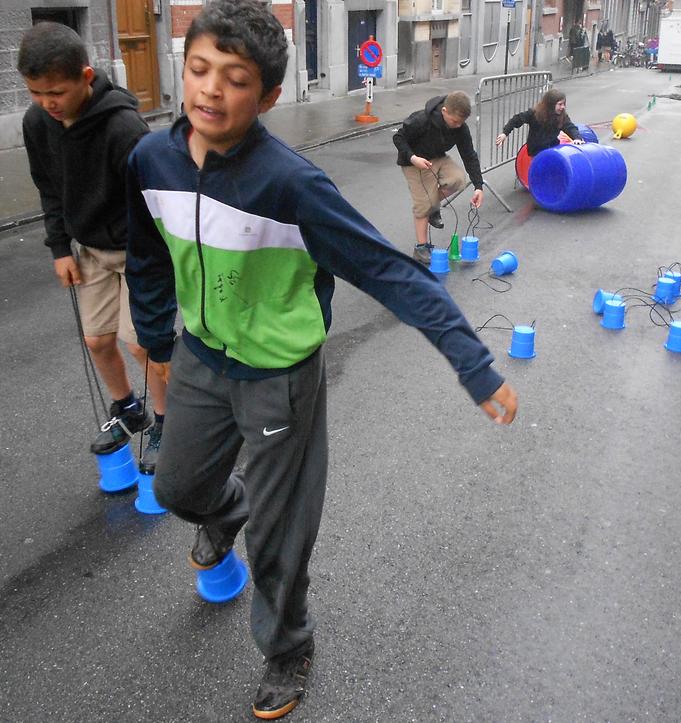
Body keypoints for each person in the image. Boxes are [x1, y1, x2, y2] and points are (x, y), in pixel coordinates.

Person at [124, 1, 518, 719]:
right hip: (202, 358)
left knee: (282, 534)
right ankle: (227, 506)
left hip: (279, 374)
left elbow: (389, 271)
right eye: (201, 68)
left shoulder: (290, 184)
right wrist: (156, 336)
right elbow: (146, 254)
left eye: (234, 78)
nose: (210, 89)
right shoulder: (151, 160)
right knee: (178, 487)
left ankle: (287, 645)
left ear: (268, 97)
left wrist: (473, 361)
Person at [18, 21, 167, 472]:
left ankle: (168, 421)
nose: (48, 103)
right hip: (90, 251)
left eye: (57, 92)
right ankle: (128, 409)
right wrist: (59, 248)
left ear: (85, 77)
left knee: (142, 345)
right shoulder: (38, 122)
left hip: (139, 252)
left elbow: (155, 203)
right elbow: (49, 187)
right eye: (37, 93)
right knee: (97, 338)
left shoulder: (124, 128)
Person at [393, 91, 484, 264]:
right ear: (444, 111)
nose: (458, 126)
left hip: (437, 157)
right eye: (455, 121)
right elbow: (398, 137)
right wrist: (413, 157)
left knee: (458, 179)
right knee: (423, 205)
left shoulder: (460, 128)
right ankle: (421, 248)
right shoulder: (421, 120)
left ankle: (433, 207)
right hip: (414, 162)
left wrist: (478, 186)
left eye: (461, 122)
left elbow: (469, 155)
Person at [494, 88, 584, 157]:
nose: (563, 107)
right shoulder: (535, 113)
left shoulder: (561, 116)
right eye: (560, 104)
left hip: (552, 147)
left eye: (564, 104)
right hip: (537, 150)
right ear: (551, 104)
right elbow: (517, 119)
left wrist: (577, 138)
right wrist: (505, 133)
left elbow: (570, 127)